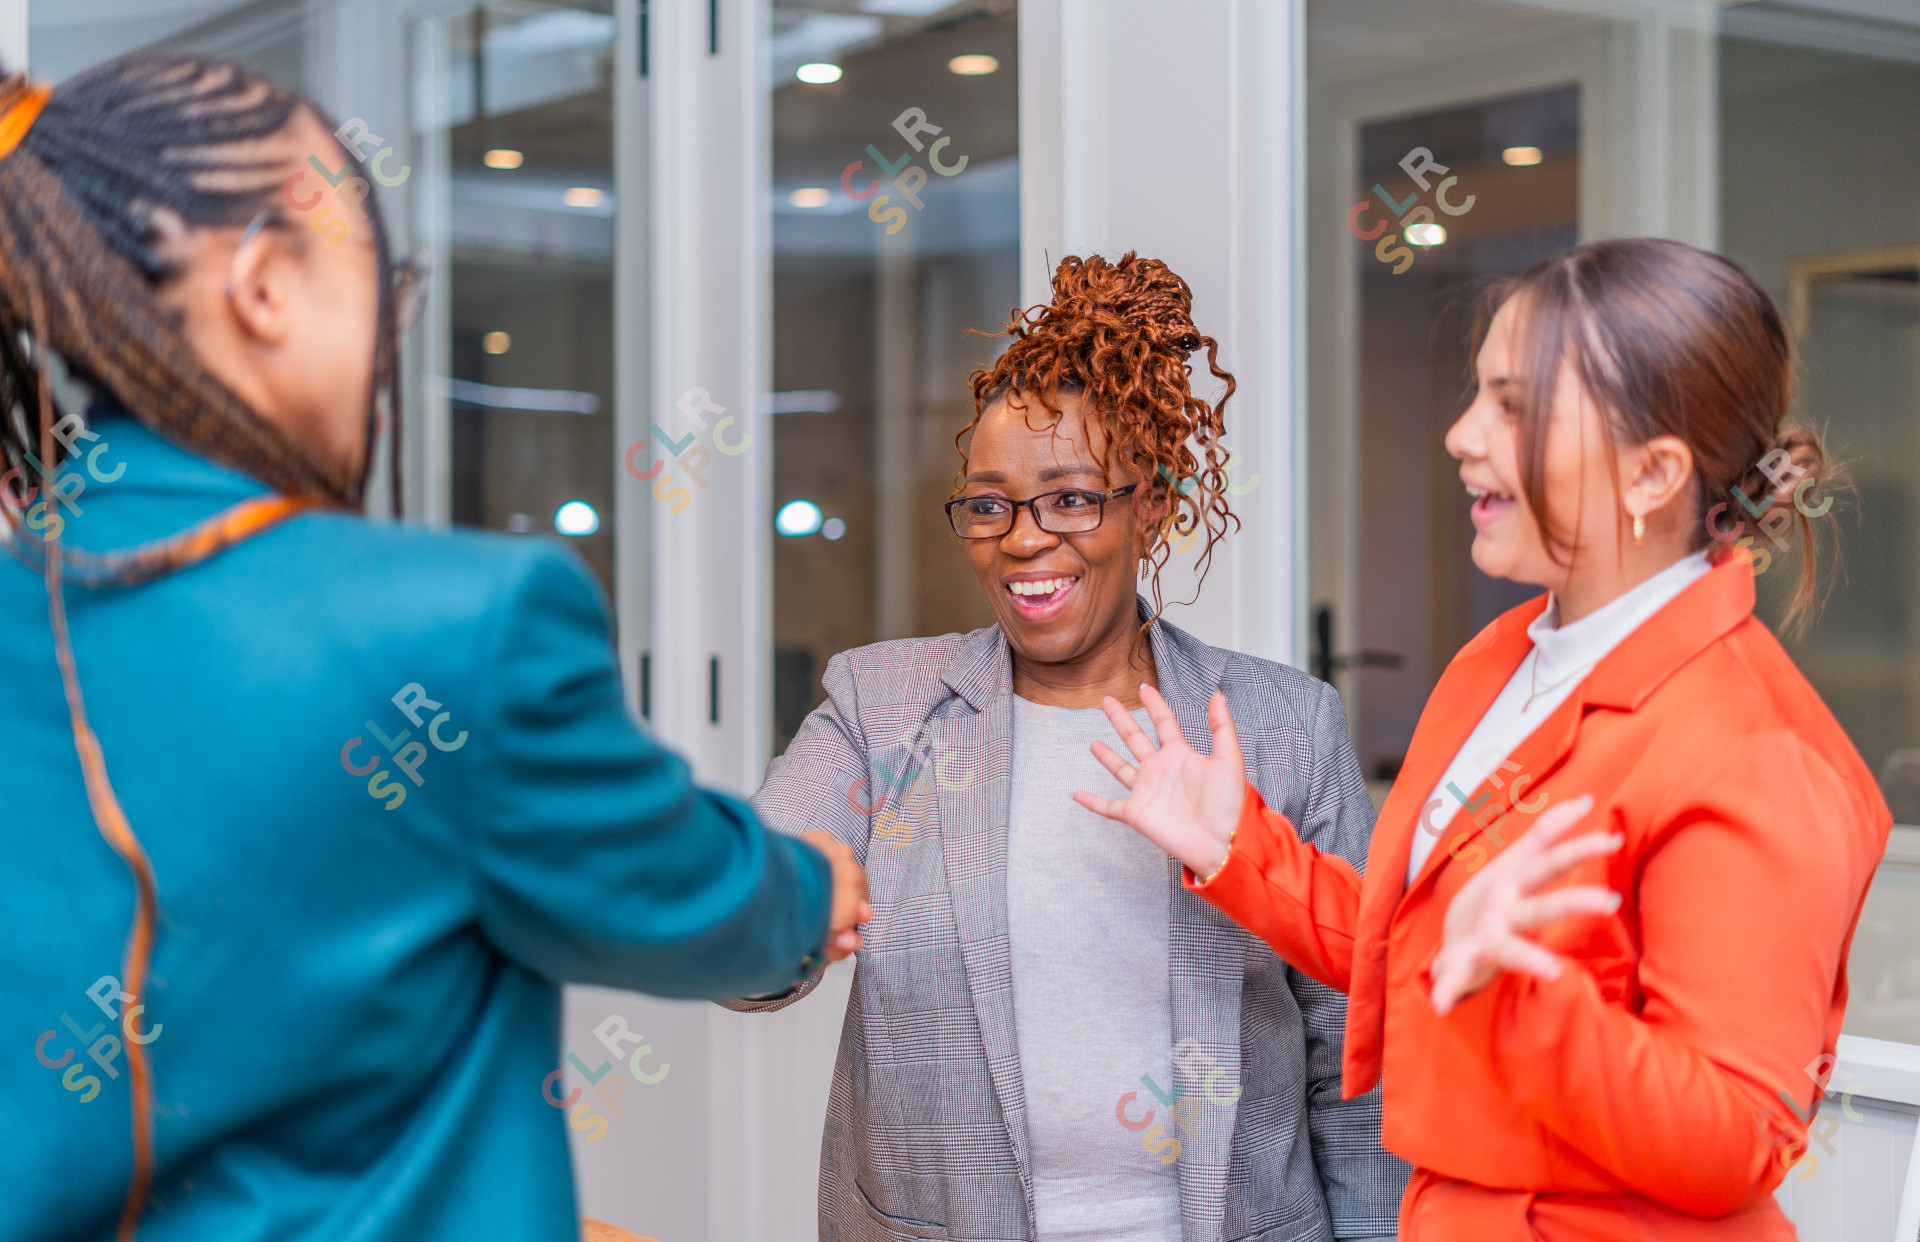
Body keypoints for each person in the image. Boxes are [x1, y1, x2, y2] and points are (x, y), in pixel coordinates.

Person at [0, 55, 868, 1242]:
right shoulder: (461, 624)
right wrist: (812, 887)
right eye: (380, 292)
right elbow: (673, 891)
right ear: (263, 288)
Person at [1074, 238, 1892, 1241]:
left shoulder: (1758, 752)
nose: (1462, 434)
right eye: (1477, 394)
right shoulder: (1505, 661)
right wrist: (1236, 850)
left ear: (1652, 474)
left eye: (1514, 405)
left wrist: (1527, 1004)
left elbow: (1735, 1141)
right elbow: (1425, 953)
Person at [727, 253, 1407, 1242]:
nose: (1022, 540)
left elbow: (1357, 1055)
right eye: (990, 504)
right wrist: (749, 907)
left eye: (1072, 499)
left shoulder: (1282, 728)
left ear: (1153, 506)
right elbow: (749, 910)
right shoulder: (883, 707)